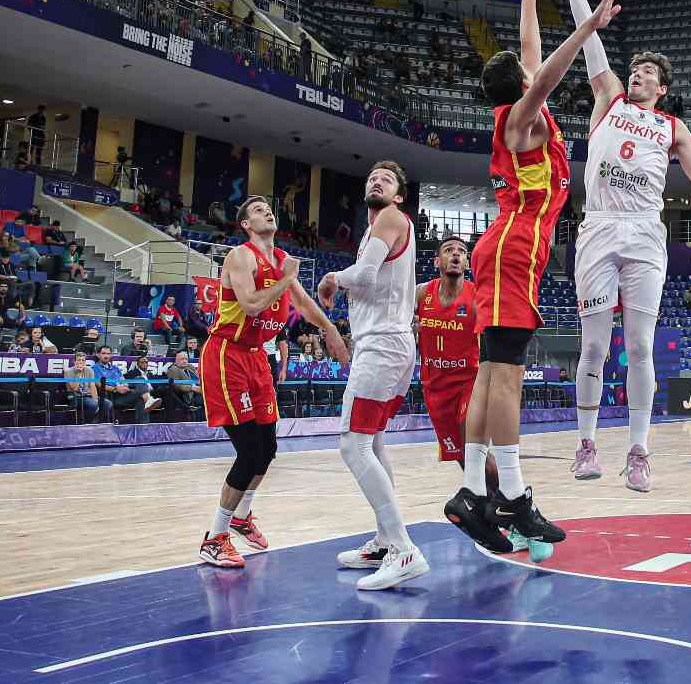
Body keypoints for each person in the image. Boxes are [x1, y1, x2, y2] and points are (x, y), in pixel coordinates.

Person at [444, 0, 619, 556]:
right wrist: (588, 26)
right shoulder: (520, 120)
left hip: (508, 247)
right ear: (521, 87)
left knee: (491, 372)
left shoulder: (519, 115)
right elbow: (543, 74)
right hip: (514, 247)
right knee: (507, 378)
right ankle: (513, 496)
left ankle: (473, 490)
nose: (533, 74)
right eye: (528, 78)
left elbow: (529, 54)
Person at [548, 0, 691, 492]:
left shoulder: (673, 127)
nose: (638, 75)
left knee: (642, 347)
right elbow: (589, 39)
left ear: (663, 87)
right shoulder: (609, 98)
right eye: (636, 69)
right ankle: (585, 444)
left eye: (648, 72)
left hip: (647, 233)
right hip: (600, 226)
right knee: (595, 346)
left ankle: (639, 451)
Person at [198, 195, 347, 569]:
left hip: (257, 357)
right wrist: (286, 279)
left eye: (268, 207)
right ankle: (214, 538)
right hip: (227, 353)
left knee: (267, 450)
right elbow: (251, 305)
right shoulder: (241, 256)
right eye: (257, 209)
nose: (266, 211)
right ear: (246, 224)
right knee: (249, 452)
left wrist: (329, 329)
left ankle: (241, 516)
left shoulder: (282, 260)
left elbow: (304, 304)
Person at [318, 161, 427, 591]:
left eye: (386, 179)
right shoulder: (375, 231)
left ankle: (403, 548)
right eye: (371, 177)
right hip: (391, 344)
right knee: (374, 441)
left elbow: (362, 276)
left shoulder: (390, 217)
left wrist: (331, 278)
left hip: (383, 345)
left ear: (398, 195)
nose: (376, 180)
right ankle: (385, 541)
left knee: (353, 444)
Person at [403, 236, 499, 538]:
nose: (456, 255)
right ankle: (488, 508)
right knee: (462, 456)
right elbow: (395, 319)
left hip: (470, 381)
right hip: (435, 387)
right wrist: (409, 327)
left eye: (461, 252)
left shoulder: (477, 295)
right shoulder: (421, 294)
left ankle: (512, 506)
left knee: (474, 445)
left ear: (467, 262)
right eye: (449, 250)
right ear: (437, 261)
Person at [92, 345, 149, 423]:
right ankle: (149, 399)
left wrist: (125, 386)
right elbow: (98, 384)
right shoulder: (95, 368)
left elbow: (123, 380)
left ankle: (142, 426)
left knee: (140, 379)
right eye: (103, 353)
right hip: (112, 396)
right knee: (141, 397)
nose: (106, 356)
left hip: (124, 392)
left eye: (108, 354)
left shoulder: (115, 368)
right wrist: (115, 389)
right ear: (98, 355)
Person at [163, 350, 203, 420]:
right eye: (182, 359)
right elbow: (176, 385)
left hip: (199, 391)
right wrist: (192, 387)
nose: (185, 361)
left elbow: (199, 378)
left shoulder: (190, 367)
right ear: (176, 361)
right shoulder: (174, 369)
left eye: (186, 359)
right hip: (188, 395)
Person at [62, 350, 100, 421]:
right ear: (74, 362)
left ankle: (95, 422)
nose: (81, 362)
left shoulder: (90, 370)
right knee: (93, 404)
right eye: (79, 360)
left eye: (83, 360)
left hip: (87, 396)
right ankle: (85, 422)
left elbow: (92, 386)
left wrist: (96, 400)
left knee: (107, 404)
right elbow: (75, 388)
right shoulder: (68, 371)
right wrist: (78, 374)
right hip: (75, 397)